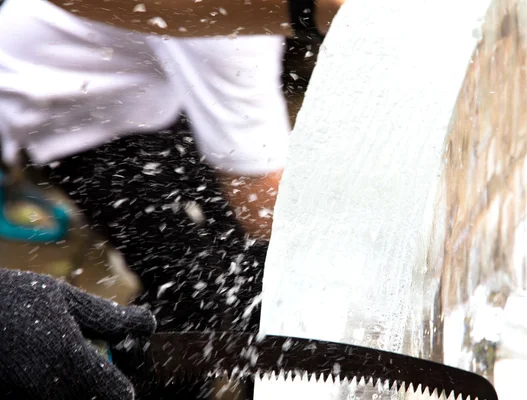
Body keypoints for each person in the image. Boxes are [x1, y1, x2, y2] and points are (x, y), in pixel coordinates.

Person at [0, 0, 344, 398]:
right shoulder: (232, 33)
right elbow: (261, 203)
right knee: (191, 288)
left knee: (246, 260)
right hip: (64, 98)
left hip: (144, 86)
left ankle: (264, 372)